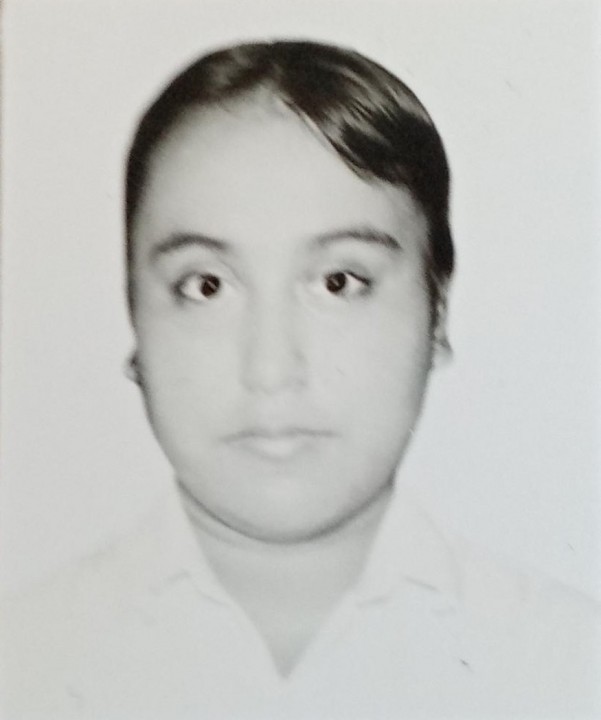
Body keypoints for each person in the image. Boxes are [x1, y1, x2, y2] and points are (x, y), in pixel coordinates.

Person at [1, 40, 599, 719]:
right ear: (134, 316)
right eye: (206, 285)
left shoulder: (569, 667)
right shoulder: (24, 661)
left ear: (437, 312)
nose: (271, 370)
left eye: (339, 282)